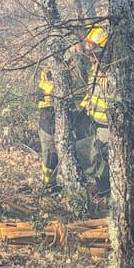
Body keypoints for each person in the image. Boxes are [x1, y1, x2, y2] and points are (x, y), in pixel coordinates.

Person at [35, 41, 89, 194]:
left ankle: (78, 185)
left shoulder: (84, 67)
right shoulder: (52, 71)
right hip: (49, 116)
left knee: (78, 153)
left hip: (77, 117)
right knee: (50, 155)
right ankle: (49, 186)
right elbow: (45, 96)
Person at [76, 25, 112, 199]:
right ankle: (103, 189)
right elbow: (91, 93)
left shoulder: (114, 75)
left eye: (94, 54)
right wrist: (81, 109)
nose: (90, 58)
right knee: (94, 158)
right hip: (95, 123)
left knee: (84, 151)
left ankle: (106, 192)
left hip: (108, 128)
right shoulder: (97, 69)